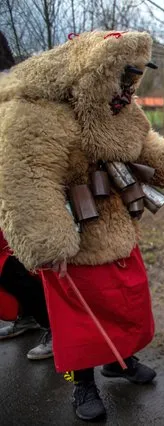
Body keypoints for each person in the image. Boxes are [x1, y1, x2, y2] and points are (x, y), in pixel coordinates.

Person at [0, 30, 164, 421]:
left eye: (132, 76)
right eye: (122, 75)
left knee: (126, 302)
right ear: (97, 72)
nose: (127, 87)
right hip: (74, 239)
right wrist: (51, 243)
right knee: (78, 321)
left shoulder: (122, 109)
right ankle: (81, 384)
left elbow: (143, 144)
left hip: (118, 227)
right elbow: (27, 177)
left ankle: (120, 360)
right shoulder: (38, 113)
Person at [0, 30, 53, 361]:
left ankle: (51, 324)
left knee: (17, 264)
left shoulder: (17, 93)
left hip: (21, 190)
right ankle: (28, 316)